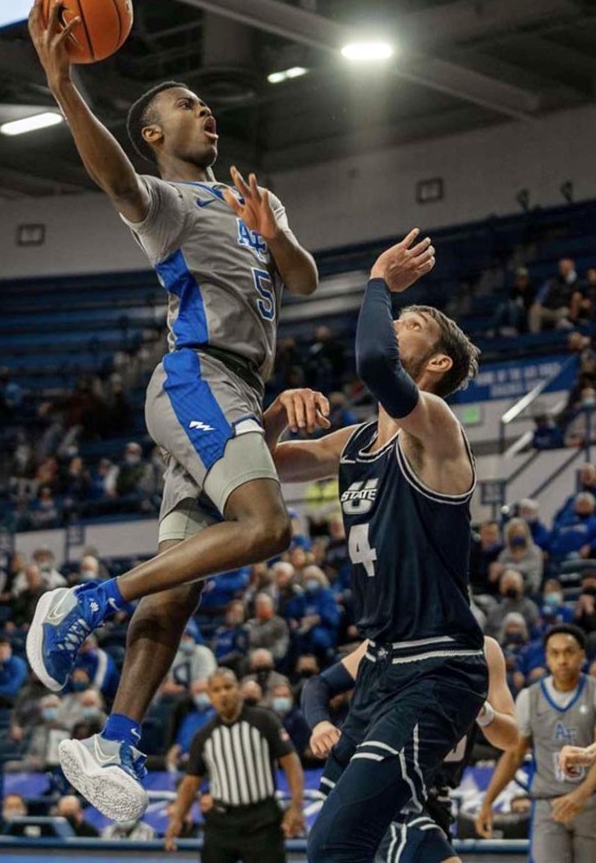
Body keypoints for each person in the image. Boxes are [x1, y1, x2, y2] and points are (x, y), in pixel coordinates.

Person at [27, 0, 318, 821]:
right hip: (199, 379)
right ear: (154, 133)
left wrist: (274, 233)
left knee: (180, 585)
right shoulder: (167, 202)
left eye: (203, 101)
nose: (204, 108)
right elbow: (112, 175)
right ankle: (86, 601)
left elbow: (300, 279)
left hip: (234, 391)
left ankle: (114, 736)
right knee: (268, 527)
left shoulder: (247, 199)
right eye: (185, 104)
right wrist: (63, 89)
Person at [263, 230, 488, 863]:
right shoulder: (356, 440)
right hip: (383, 666)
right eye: (396, 314)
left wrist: (378, 283)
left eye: (410, 321)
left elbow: (373, 363)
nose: (395, 322)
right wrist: (279, 407)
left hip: (437, 667)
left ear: (437, 363)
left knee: (337, 843)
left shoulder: (438, 429)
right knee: (342, 844)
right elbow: (261, 464)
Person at [303, 635, 517, 863]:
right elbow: (318, 685)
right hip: (387, 785)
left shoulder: (483, 649)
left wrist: (482, 711)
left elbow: (512, 738)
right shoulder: (389, 641)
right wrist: (320, 724)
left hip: (435, 795)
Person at [476, 625, 596, 861]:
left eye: (569, 652)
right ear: (546, 657)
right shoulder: (529, 697)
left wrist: (580, 795)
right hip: (547, 803)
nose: (562, 660)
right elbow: (513, 755)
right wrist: (487, 802)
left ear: (582, 655)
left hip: (590, 802)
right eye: (555, 653)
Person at [165, 668, 304, 862]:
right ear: (210, 696)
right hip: (221, 823)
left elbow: (292, 763)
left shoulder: (264, 721)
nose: (223, 693)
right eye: (216, 690)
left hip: (262, 820)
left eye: (228, 687)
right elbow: (190, 784)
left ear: (238, 690)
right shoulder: (203, 737)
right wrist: (177, 819)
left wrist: (296, 806)